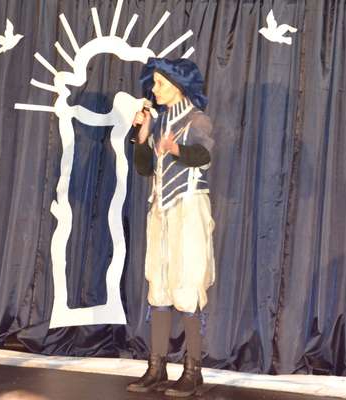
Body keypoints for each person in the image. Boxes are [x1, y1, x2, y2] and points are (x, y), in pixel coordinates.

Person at [126, 58, 216, 398]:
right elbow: (144, 168)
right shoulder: (161, 121)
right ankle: (157, 365)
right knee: (159, 286)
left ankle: (193, 371)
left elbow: (204, 156)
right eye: (154, 83)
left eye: (161, 83)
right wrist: (143, 135)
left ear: (179, 86)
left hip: (188, 209)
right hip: (161, 212)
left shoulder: (196, 119)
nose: (155, 89)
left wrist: (175, 148)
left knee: (188, 285)